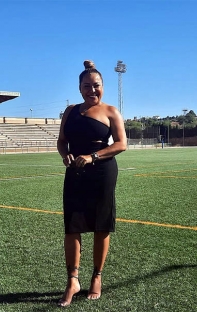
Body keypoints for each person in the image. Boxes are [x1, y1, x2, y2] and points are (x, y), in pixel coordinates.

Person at [56, 60, 127, 307]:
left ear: (103, 87)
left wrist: (93, 156)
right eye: (87, 86)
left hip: (102, 172)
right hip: (75, 172)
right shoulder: (70, 111)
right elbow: (62, 141)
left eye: (96, 85)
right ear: (79, 88)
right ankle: (72, 280)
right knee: (72, 225)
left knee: (100, 224)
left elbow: (121, 144)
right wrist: (65, 155)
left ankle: (97, 275)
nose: (92, 90)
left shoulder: (111, 112)